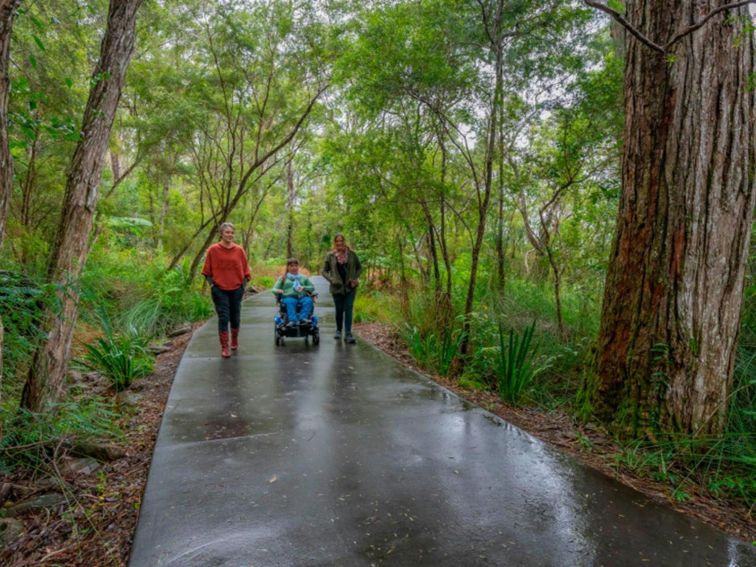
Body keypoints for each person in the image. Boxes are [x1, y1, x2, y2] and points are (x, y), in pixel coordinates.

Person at [202, 222, 251, 358]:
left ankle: (234, 339)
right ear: (221, 234)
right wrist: (213, 285)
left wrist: (243, 285)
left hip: (236, 288)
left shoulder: (239, 250)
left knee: (235, 316)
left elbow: (246, 269)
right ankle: (225, 346)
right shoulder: (213, 250)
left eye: (231, 232)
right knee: (224, 317)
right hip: (219, 289)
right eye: (227, 232)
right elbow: (207, 271)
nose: (230, 235)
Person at [321, 233, 361, 344]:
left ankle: (348, 334)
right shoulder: (330, 256)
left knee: (348, 308)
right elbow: (323, 271)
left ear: (344, 241)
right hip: (337, 288)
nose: (339, 243)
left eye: (341, 240)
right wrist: (331, 279)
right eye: (337, 241)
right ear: (334, 242)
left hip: (350, 287)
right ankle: (338, 330)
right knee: (339, 309)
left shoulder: (352, 254)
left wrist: (355, 278)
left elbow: (359, 268)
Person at [272, 258, 315, 326]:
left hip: (302, 297)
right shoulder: (283, 278)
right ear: (288, 267)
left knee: (308, 301)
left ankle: (303, 318)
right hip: (289, 297)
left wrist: (304, 287)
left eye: (296, 265)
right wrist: (278, 290)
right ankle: (293, 320)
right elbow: (273, 289)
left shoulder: (303, 278)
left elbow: (312, 288)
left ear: (298, 267)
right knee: (290, 302)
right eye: (291, 266)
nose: (294, 268)